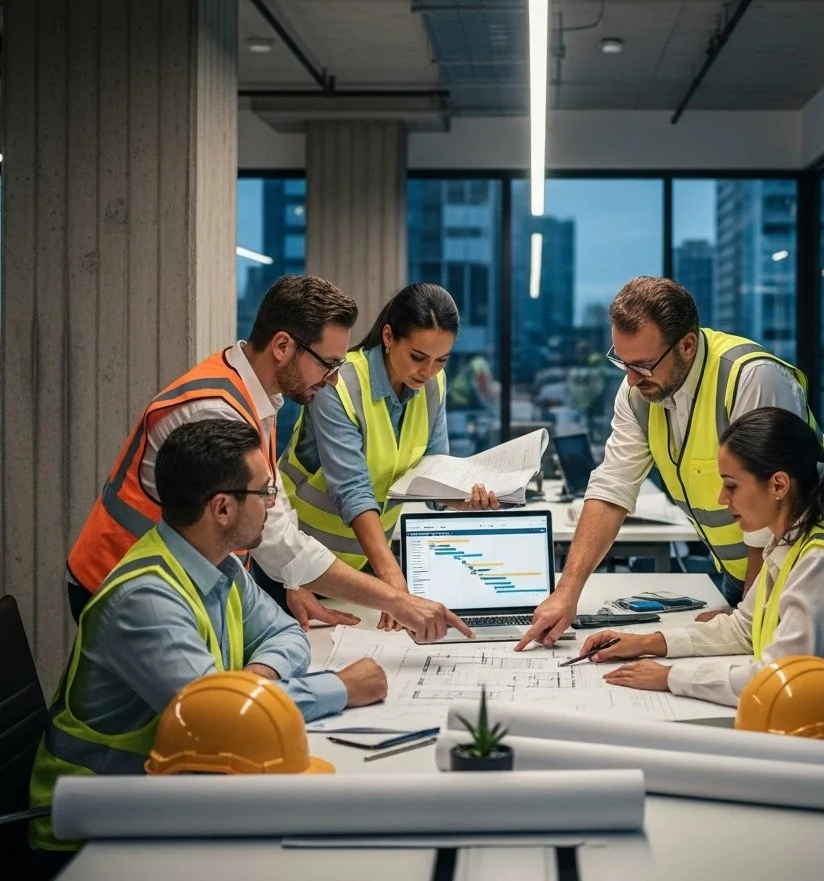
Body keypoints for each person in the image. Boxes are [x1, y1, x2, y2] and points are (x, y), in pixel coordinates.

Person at [29, 419, 389, 854]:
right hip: (92, 829)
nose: (272, 504)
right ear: (222, 508)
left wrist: (251, 686)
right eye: (265, 494)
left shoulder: (220, 564)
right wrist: (340, 688)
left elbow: (287, 634)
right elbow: (218, 725)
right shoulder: (146, 601)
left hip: (167, 798)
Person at [66, 274, 472, 641]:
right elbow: (278, 540)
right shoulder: (215, 410)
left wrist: (295, 581)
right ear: (282, 345)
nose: (332, 379)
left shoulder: (258, 395)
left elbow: (270, 503)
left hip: (175, 585)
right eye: (329, 365)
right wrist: (395, 600)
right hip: (118, 581)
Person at [517, 275, 824, 650]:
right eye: (622, 362)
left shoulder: (752, 377)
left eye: (644, 365)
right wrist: (566, 593)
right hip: (738, 576)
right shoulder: (638, 392)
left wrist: (746, 616)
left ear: (687, 345)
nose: (631, 379)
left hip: (800, 577)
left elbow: (773, 508)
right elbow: (612, 487)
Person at [575, 407, 824, 749]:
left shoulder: (821, 563)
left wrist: (670, 677)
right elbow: (744, 628)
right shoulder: (789, 541)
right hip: (820, 743)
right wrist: (649, 642)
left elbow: (774, 683)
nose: (723, 499)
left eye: (732, 486)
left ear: (778, 485)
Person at [280, 282, 499, 631]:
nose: (427, 372)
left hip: (359, 569)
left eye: (441, 360)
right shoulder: (338, 383)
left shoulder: (430, 387)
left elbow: (433, 471)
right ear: (388, 336)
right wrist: (392, 583)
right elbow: (353, 492)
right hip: (295, 568)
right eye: (418, 357)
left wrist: (462, 500)